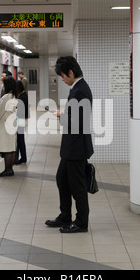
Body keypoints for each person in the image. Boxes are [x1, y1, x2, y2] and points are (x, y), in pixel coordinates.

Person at [45, 56, 94, 233]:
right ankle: (65, 215)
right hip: (71, 147)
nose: (63, 80)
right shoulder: (77, 88)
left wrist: (60, 115)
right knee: (62, 180)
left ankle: (81, 223)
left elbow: (79, 122)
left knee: (77, 186)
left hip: (76, 147)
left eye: (63, 76)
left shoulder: (80, 90)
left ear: (71, 72)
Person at [0, 76, 18, 177]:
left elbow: (0, 112)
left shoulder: (7, 97)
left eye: (3, 84)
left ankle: (7, 169)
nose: (2, 86)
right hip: (12, 124)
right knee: (11, 147)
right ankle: (10, 169)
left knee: (6, 148)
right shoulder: (14, 96)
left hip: (5, 125)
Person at [14, 80, 28, 165]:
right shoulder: (23, 96)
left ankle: (20, 158)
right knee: (20, 140)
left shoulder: (22, 97)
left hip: (20, 121)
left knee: (19, 140)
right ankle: (23, 157)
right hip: (21, 120)